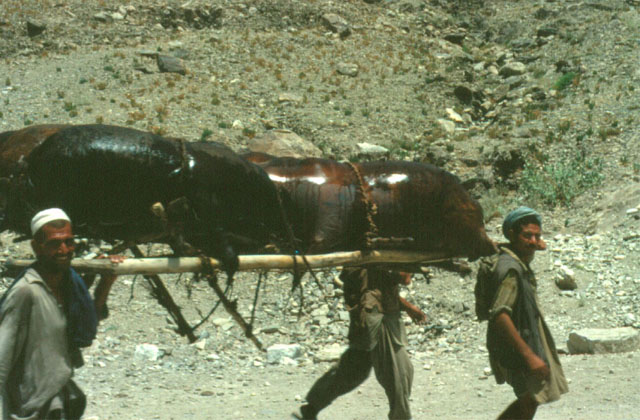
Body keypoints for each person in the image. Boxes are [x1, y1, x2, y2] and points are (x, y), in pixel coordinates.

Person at [0, 208, 123, 420]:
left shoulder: (69, 286)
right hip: (31, 407)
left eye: (68, 242)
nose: (63, 250)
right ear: (36, 247)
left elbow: (84, 325)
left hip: (60, 398)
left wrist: (106, 283)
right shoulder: (26, 292)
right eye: (54, 244)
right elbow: (2, 356)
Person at [294, 267, 426, 420]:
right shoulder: (376, 260)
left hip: (367, 316)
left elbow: (378, 287)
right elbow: (404, 278)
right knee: (399, 372)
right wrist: (410, 264)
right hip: (378, 318)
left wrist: (408, 307)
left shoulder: (366, 263)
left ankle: (311, 408)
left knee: (354, 371)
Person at [486, 206, 568, 420]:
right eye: (527, 235)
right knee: (529, 400)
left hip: (521, 340)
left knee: (530, 400)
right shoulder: (512, 271)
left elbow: (528, 244)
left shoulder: (510, 256)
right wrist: (530, 357)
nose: (533, 241)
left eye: (537, 236)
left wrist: (534, 243)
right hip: (517, 345)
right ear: (511, 234)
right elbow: (500, 315)